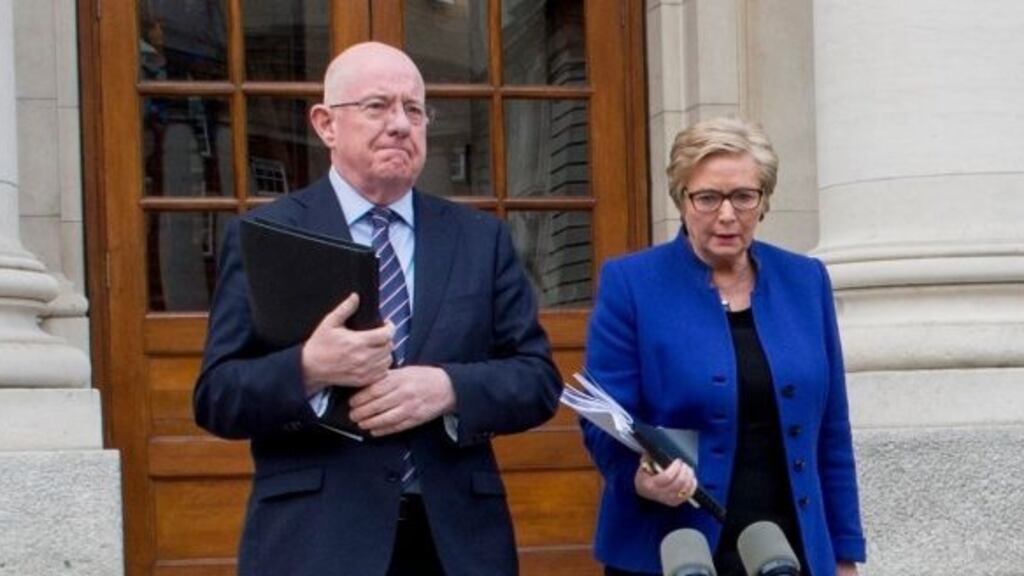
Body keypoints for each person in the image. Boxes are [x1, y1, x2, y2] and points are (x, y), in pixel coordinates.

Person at [193, 42, 562, 576]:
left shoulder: (480, 239)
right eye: (377, 106)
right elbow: (217, 396)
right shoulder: (266, 235)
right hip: (317, 540)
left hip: (456, 542)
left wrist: (449, 388)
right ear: (325, 124)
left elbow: (537, 380)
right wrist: (309, 368)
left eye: (414, 110)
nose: (399, 124)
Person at [581, 117, 866, 576]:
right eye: (708, 198)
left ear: (764, 200)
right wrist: (639, 478)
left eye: (743, 197)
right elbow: (602, 416)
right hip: (673, 547)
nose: (727, 215)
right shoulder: (631, 283)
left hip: (788, 547)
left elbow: (832, 431)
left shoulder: (805, 281)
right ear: (681, 199)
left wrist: (844, 553)